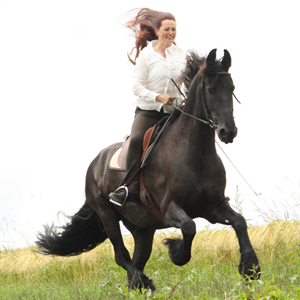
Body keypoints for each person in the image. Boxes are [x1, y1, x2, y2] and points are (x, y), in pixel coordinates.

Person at [109, 8, 186, 206]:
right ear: (158, 31)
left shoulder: (180, 54)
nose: (171, 33)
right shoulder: (147, 55)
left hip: (175, 112)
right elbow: (137, 86)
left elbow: (187, 79)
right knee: (136, 140)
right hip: (149, 112)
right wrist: (158, 97)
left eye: (174, 30)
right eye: (167, 29)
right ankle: (128, 187)